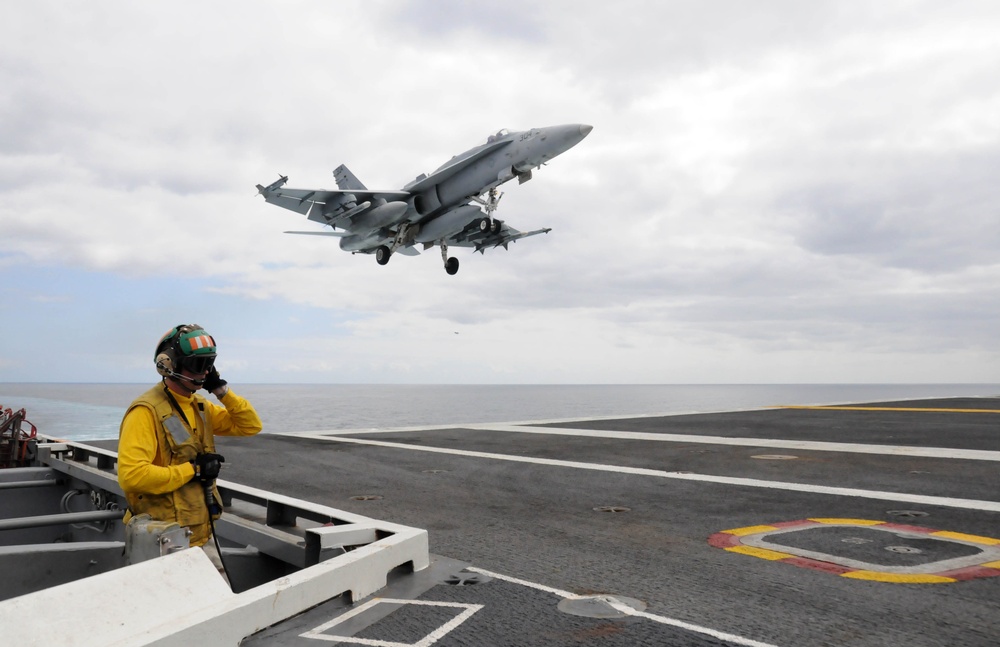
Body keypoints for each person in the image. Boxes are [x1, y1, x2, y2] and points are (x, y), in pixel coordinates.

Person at [117, 324, 262, 579]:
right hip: (164, 541)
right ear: (169, 365)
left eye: (210, 363)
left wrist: (222, 391)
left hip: (200, 536)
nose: (206, 371)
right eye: (198, 364)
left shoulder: (200, 406)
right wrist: (193, 470)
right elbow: (132, 476)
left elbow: (250, 425)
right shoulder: (145, 411)